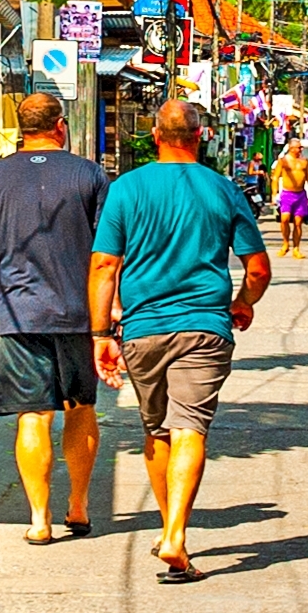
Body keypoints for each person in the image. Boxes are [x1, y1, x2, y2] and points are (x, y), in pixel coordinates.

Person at [88, 96, 269, 584]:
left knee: (157, 431)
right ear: (200, 136)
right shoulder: (224, 190)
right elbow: (257, 267)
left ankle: (171, 530)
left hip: (142, 330)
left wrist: (101, 332)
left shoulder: (125, 189)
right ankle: (174, 534)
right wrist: (243, 302)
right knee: (190, 427)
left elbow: (105, 264)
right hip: (204, 328)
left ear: (154, 137)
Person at [0, 90, 112, 544]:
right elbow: (107, 251)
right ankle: (79, 507)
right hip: (78, 315)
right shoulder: (89, 175)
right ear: (60, 126)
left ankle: (39, 520)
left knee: (33, 415)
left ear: (22, 130)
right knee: (80, 408)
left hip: (20, 315)